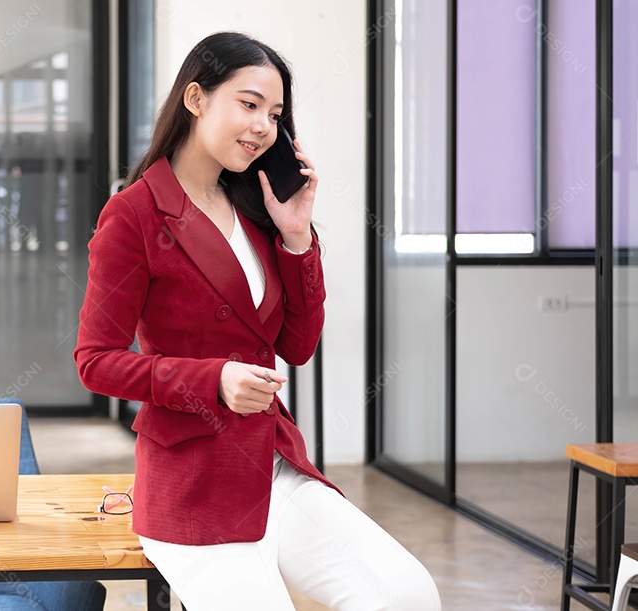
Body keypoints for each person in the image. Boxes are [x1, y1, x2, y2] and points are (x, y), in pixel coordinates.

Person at [74, 32, 441, 610]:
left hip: (270, 462)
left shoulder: (256, 208)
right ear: (196, 99)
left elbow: (297, 344)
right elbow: (94, 362)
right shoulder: (135, 214)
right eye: (248, 105)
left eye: (275, 114)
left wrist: (297, 236)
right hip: (191, 479)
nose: (264, 127)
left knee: (406, 594)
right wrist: (213, 379)